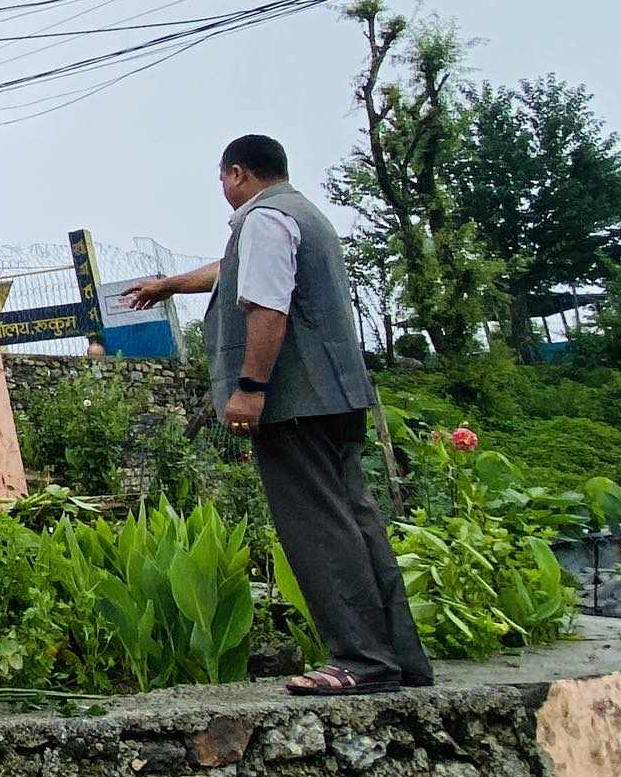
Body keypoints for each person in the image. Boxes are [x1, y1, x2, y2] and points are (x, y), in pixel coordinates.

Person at [124, 133, 433, 697]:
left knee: (317, 527)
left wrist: (250, 386)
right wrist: (170, 284)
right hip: (337, 396)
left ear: (238, 173)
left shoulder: (260, 221)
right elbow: (231, 270)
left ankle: (361, 661)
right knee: (355, 520)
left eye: (222, 178)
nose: (222, 189)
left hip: (294, 402)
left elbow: (267, 305)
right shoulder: (301, 214)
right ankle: (398, 658)